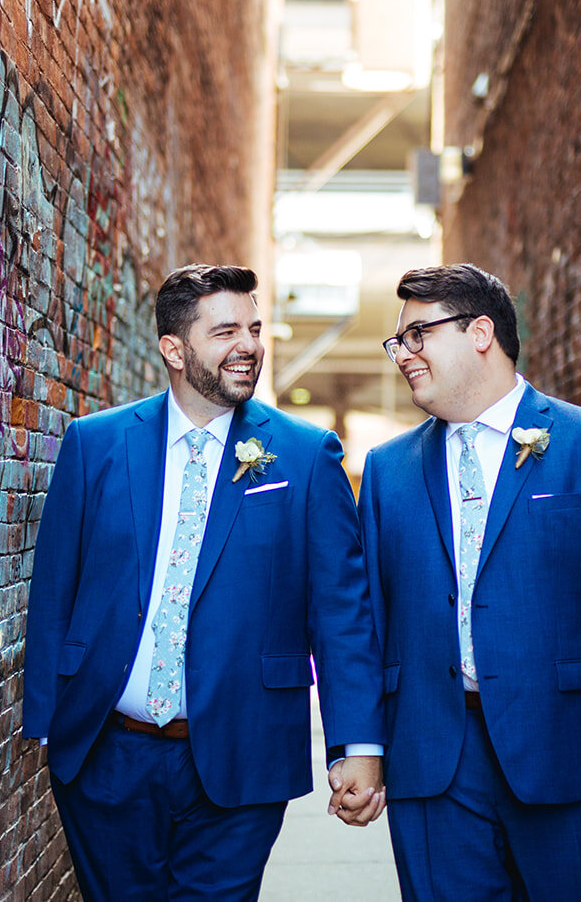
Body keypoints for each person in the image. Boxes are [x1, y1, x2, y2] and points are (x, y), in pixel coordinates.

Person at [23, 263, 385, 901]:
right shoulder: (96, 445)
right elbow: (55, 590)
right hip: (105, 751)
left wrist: (356, 743)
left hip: (245, 751)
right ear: (174, 348)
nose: (247, 344)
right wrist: (48, 725)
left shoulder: (304, 456)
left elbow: (340, 614)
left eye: (253, 327)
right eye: (225, 331)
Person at [350, 263, 581, 900]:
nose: (402, 354)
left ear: (481, 333)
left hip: (558, 755)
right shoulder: (388, 470)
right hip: (431, 759)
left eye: (417, 335)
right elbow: (367, 623)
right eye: (397, 341)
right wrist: (361, 744)